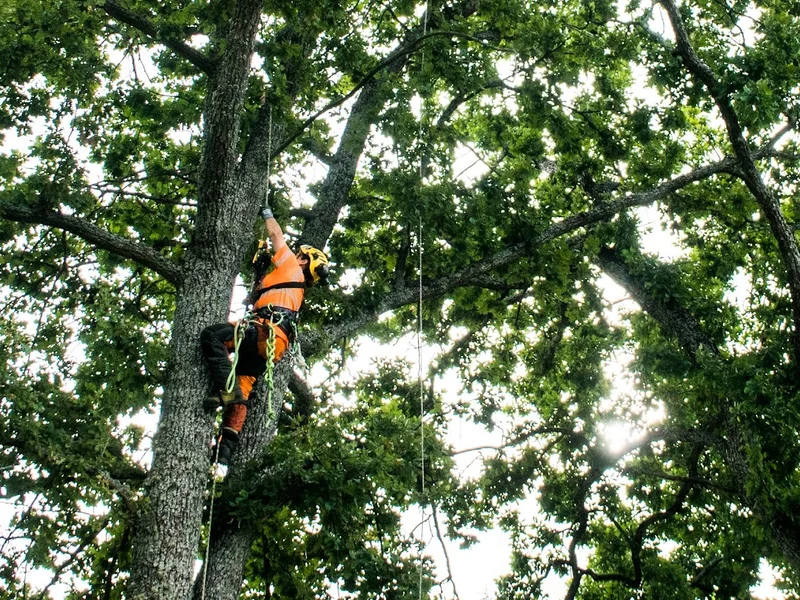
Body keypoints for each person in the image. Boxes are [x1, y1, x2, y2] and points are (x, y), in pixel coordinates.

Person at [200, 204, 329, 464]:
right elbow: (259, 298)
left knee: (212, 336)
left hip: (264, 331)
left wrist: (268, 214)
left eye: (300, 254)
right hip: (272, 345)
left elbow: (276, 237)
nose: (295, 254)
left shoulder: (292, 266)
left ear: (303, 260)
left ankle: (226, 389)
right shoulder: (293, 288)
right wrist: (259, 274)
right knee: (244, 385)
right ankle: (225, 448)